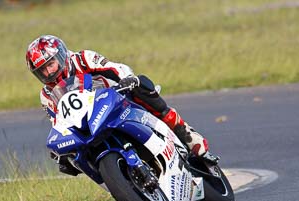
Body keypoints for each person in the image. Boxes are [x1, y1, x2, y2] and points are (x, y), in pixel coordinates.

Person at [26, 35, 209, 176]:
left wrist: (125, 79)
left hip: (116, 101)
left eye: (50, 64)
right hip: (88, 125)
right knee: (73, 156)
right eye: (42, 70)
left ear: (61, 55)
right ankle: (119, 180)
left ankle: (186, 133)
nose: (48, 72)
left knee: (141, 87)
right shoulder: (46, 95)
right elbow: (58, 122)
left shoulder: (82, 59)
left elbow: (115, 68)